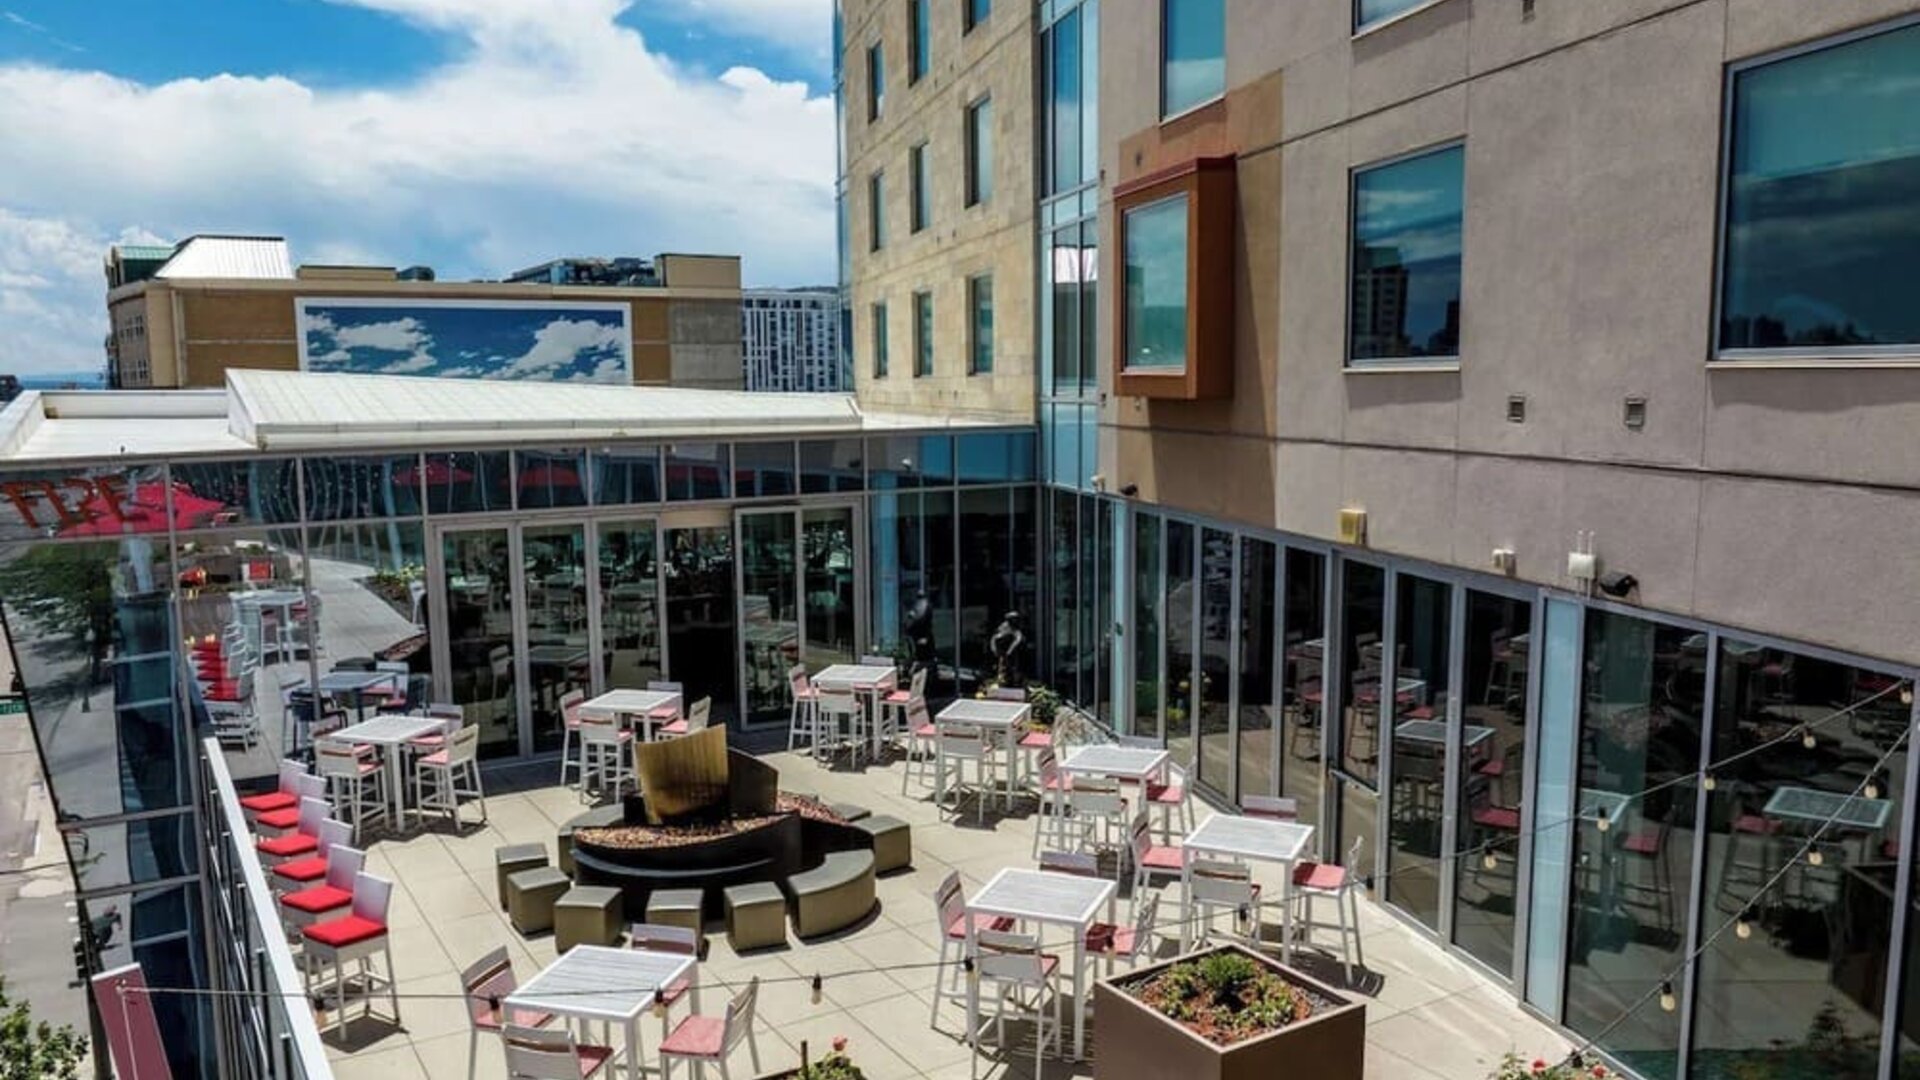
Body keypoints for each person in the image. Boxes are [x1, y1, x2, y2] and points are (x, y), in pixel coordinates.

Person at [989, 610, 1027, 687]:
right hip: (1003, 653)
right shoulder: (1003, 627)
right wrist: (995, 649)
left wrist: (1011, 650)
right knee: (1004, 668)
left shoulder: (1017, 629)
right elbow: (994, 638)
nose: (1015, 621)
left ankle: (1014, 682)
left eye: (1016, 619)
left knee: (1014, 668)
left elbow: (1018, 639)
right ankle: (1004, 682)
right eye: (1013, 619)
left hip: (1013, 654)